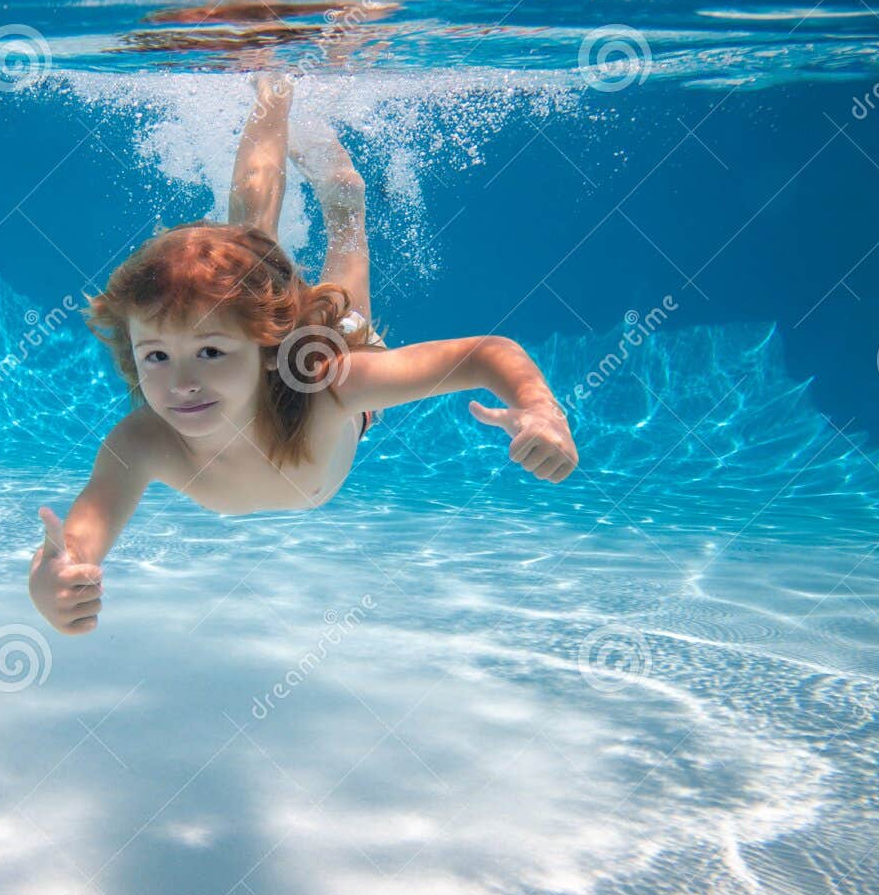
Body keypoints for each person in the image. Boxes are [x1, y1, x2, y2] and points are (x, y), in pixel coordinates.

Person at [29, 74, 578, 636]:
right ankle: (292, 118)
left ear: (268, 347)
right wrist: (50, 583)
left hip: (318, 369)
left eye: (211, 351)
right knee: (248, 245)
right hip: (287, 359)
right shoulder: (142, 443)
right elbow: (75, 543)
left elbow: (487, 353)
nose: (181, 384)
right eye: (156, 357)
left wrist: (539, 408)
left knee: (326, 286)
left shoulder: (332, 384)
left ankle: (283, 100)